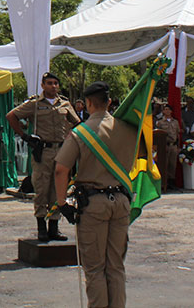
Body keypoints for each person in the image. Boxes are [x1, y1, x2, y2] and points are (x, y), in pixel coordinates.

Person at [53, 81, 137, 308]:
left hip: (93, 203)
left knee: (95, 268)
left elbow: (61, 169)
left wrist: (62, 203)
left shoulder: (81, 132)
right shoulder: (129, 129)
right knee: (116, 266)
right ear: (109, 102)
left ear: (88, 103)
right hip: (121, 201)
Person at [6, 72, 80, 242]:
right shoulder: (35, 104)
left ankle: (54, 227)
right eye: (49, 83)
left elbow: (77, 124)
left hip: (62, 150)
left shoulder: (65, 103)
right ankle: (41, 227)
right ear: (42, 85)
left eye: (55, 83)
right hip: (43, 150)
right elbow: (11, 116)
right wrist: (25, 136)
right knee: (41, 189)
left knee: (58, 189)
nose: (53, 86)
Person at [155, 104, 180, 192]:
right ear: (163, 111)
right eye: (165, 109)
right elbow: (157, 135)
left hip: (173, 145)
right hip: (164, 146)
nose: (167, 111)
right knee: (164, 164)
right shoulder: (160, 122)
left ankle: (171, 183)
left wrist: (178, 147)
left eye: (168, 109)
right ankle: (164, 183)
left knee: (172, 165)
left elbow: (177, 134)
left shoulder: (175, 122)